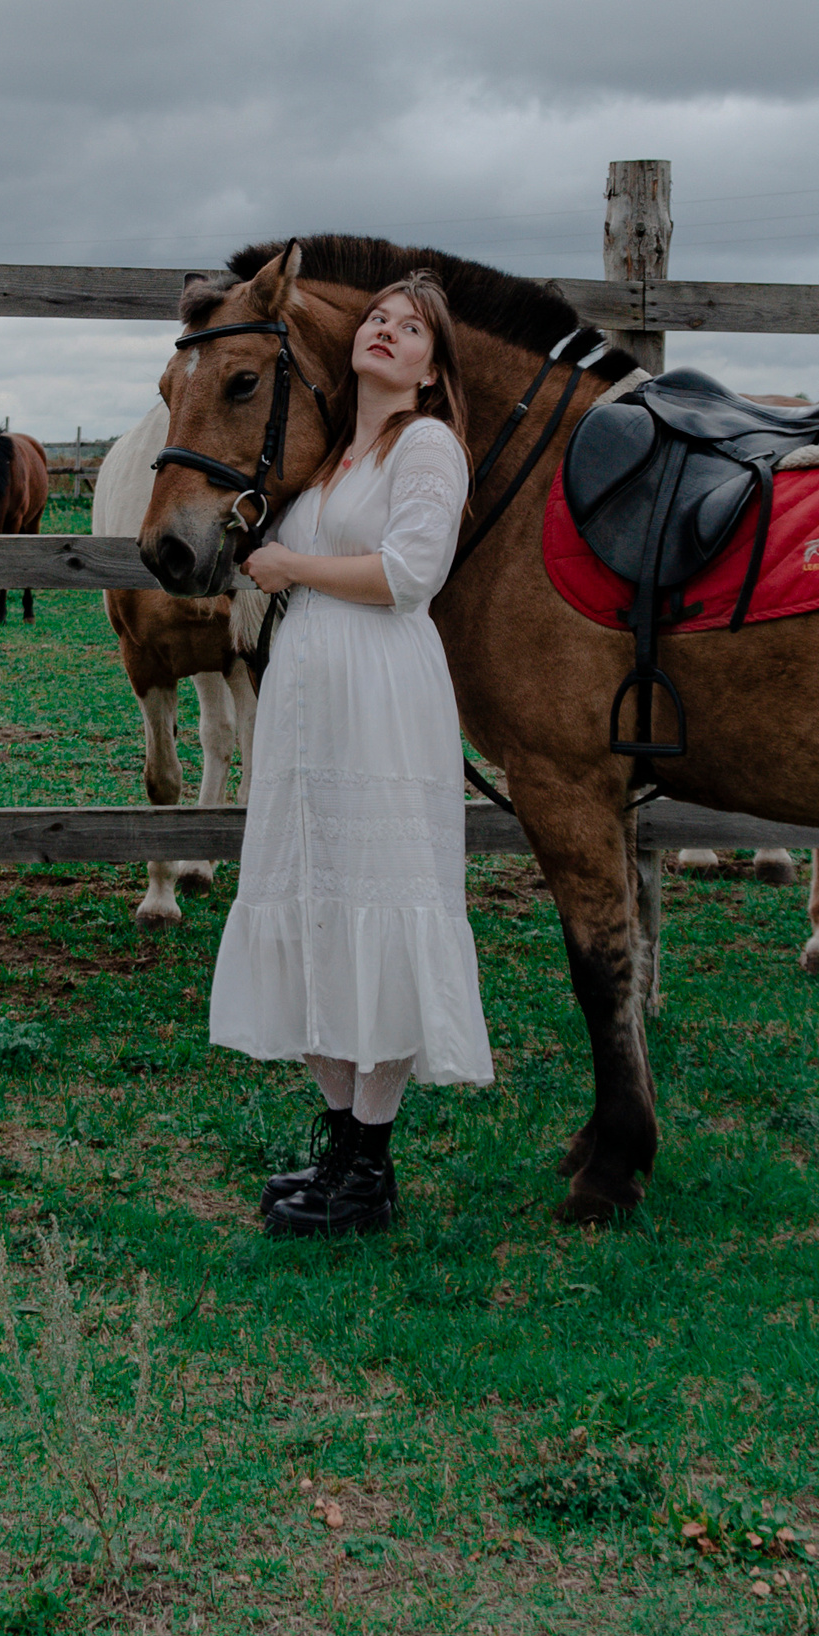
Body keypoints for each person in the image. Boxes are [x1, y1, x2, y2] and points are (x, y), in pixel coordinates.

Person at [206, 272, 493, 1236]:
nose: (386, 332)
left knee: (380, 891)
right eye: (377, 317)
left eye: (410, 329)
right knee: (317, 897)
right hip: (306, 701)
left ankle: (371, 1166)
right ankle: (339, 1152)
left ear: (429, 367)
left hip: (381, 691)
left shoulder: (428, 447)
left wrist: (292, 567)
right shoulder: (326, 460)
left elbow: (409, 573)